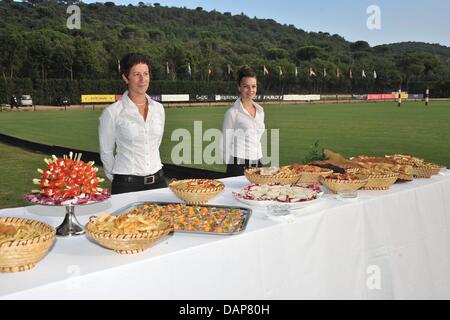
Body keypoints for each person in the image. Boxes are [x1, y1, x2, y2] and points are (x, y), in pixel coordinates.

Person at [98, 53, 166, 195]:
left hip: (158, 184)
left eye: (146, 74)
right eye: (136, 74)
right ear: (125, 77)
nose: (142, 79)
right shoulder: (112, 112)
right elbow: (106, 153)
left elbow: (155, 144)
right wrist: (119, 179)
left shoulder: (159, 109)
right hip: (127, 186)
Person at [221, 66, 265, 176]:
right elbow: (224, 143)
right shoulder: (232, 113)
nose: (250, 90)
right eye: (246, 86)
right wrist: (232, 167)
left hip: (257, 162)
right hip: (238, 164)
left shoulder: (260, 111)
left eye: (253, 86)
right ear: (239, 87)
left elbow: (257, 139)